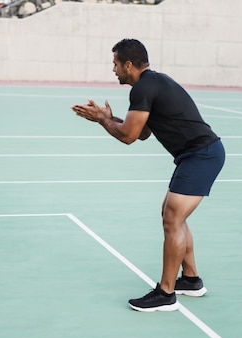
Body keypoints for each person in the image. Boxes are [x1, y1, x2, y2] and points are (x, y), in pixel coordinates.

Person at [72, 39, 225, 312]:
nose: (113, 70)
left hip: (202, 155)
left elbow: (129, 137)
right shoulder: (153, 83)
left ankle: (166, 294)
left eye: (115, 64)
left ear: (128, 65)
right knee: (171, 214)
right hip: (197, 155)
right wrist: (111, 118)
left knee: (172, 218)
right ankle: (190, 280)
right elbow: (141, 132)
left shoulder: (143, 87)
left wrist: (101, 120)